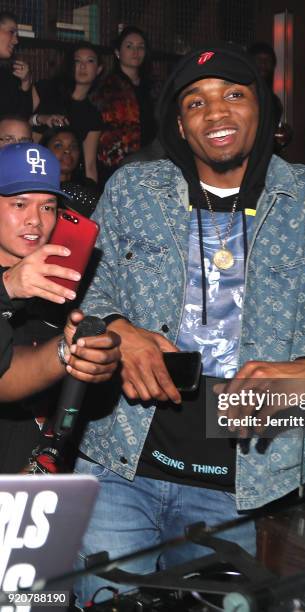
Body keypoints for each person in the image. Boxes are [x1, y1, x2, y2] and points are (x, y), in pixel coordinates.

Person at [73, 43, 305, 603]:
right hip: (121, 462)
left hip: (249, 483)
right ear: (180, 126)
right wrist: (117, 325)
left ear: (263, 110)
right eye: (196, 102)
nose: (215, 112)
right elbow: (85, 290)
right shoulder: (134, 191)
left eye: (233, 95)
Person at [0, 142, 118, 472]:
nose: (35, 220)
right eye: (19, 204)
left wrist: (89, 356)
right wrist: (7, 288)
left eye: (48, 207)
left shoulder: (69, 287)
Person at [91, 26, 157, 184]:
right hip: (117, 163)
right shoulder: (106, 86)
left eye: (140, 47)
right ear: (118, 52)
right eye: (129, 46)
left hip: (152, 161)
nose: (136, 51)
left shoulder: (154, 85)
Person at [31, 43, 103, 183]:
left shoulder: (93, 115)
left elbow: (90, 165)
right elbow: (18, 122)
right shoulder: (45, 89)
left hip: (65, 182)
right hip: (29, 170)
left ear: (99, 69)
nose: (82, 66)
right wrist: (41, 119)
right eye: (77, 61)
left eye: (90, 61)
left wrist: (93, 197)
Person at [0, 12, 32, 119]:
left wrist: (25, 83)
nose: (16, 40)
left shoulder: (8, 73)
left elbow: (22, 118)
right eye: (11, 32)